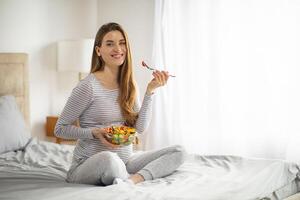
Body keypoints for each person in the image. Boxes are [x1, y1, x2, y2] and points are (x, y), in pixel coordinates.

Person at [55, 22, 186, 186]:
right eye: (110, 44)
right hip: (89, 166)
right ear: (98, 51)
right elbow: (59, 129)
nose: (118, 49)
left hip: (125, 162)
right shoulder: (87, 86)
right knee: (109, 158)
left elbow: (140, 128)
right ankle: (124, 178)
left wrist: (150, 91)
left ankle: (132, 180)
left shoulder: (130, 84)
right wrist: (94, 132)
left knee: (179, 151)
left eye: (122, 43)